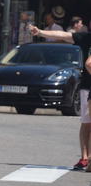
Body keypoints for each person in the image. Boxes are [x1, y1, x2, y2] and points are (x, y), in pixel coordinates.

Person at [30, 23, 91, 170]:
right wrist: (41, 32)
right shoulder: (86, 38)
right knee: (87, 122)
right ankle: (84, 158)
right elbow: (63, 35)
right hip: (87, 86)